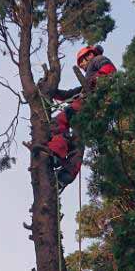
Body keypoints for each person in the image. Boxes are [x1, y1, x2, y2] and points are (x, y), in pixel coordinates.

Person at [46, 44, 115, 188]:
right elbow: (70, 94)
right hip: (93, 111)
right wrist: (53, 92)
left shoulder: (98, 60)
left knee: (58, 122)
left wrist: (96, 81)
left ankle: (55, 152)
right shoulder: (87, 81)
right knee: (78, 141)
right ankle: (66, 175)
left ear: (89, 55)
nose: (82, 65)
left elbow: (109, 70)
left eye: (82, 61)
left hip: (88, 104)